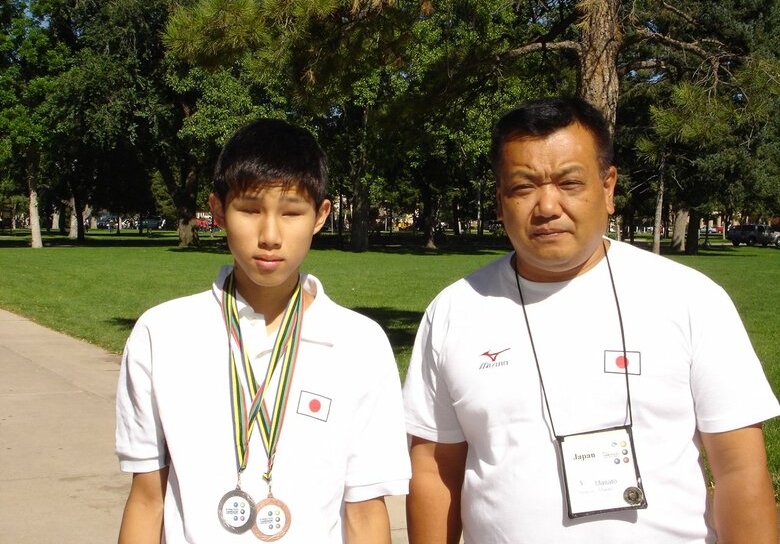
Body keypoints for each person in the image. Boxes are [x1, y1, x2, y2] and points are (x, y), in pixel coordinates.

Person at [403, 96, 779, 544]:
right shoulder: (455, 311)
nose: (546, 206)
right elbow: (434, 471)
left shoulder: (689, 299)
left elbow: (740, 470)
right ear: (501, 200)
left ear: (607, 187)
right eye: (523, 187)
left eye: (569, 182)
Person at [116, 119, 410, 544]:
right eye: (250, 210)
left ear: (320, 216)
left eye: (291, 212)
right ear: (217, 211)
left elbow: (365, 513)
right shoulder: (161, 335)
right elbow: (147, 501)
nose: (270, 236)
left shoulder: (359, 344)